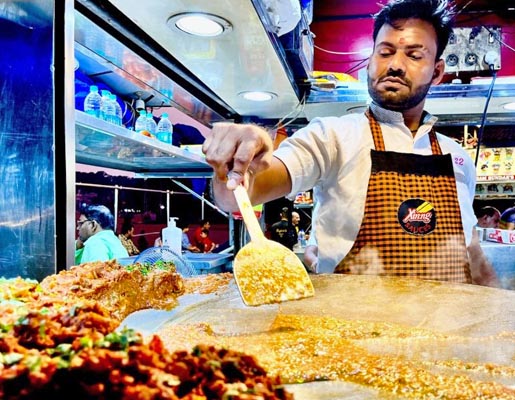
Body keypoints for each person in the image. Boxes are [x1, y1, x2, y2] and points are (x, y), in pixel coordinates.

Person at [203, 0, 498, 287]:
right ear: (370, 60)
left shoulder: (456, 157)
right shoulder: (332, 137)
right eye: (385, 52)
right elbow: (241, 192)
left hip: (445, 333)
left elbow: (470, 252)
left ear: (436, 71)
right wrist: (236, 160)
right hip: (352, 333)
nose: (395, 64)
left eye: (413, 55)